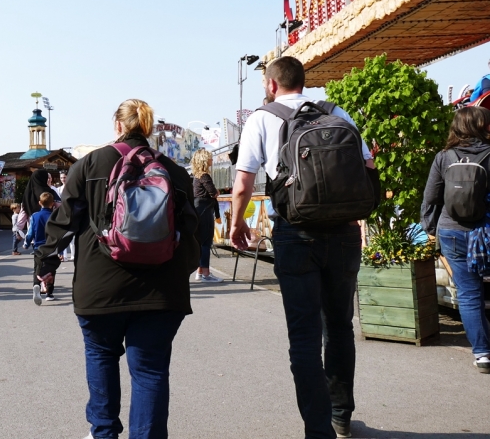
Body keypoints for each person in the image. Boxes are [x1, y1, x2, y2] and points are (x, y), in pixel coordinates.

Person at [35, 99, 199, 439]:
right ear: (147, 128)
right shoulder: (174, 171)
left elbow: (64, 223)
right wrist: (181, 272)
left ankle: (104, 433)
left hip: (100, 286)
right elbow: (192, 233)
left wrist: (46, 265)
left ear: (118, 125)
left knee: (101, 355)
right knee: (150, 371)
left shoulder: (89, 165)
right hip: (161, 290)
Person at [230, 56, 373, 439]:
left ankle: (318, 429)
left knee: (304, 335)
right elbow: (368, 167)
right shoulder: (335, 112)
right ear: (302, 81)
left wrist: (237, 222)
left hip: (295, 233)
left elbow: (242, 183)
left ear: (271, 84)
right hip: (343, 233)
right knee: (339, 327)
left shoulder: (262, 118)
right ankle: (341, 415)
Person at [421, 106, 490, 375]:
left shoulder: (444, 157)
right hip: (485, 232)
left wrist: (432, 229)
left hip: (452, 231)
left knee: (469, 294)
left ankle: (482, 354)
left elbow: (430, 198)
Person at [190, 149, 223, 283]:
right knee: (206, 242)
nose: (211, 160)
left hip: (198, 210)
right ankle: (206, 274)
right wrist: (217, 191)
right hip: (205, 211)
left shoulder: (196, 176)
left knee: (200, 242)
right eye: (210, 157)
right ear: (204, 160)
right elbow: (213, 193)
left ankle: (199, 272)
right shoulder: (204, 176)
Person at [27, 192, 57, 303]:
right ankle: (49, 293)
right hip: (51, 246)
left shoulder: (35, 216)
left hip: (38, 247)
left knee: (37, 268)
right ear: (52, 203)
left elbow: (30, 232)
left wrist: (26, 243)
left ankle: (36, 286)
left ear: (39, 203)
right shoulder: (55, 216)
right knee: (51, 269)